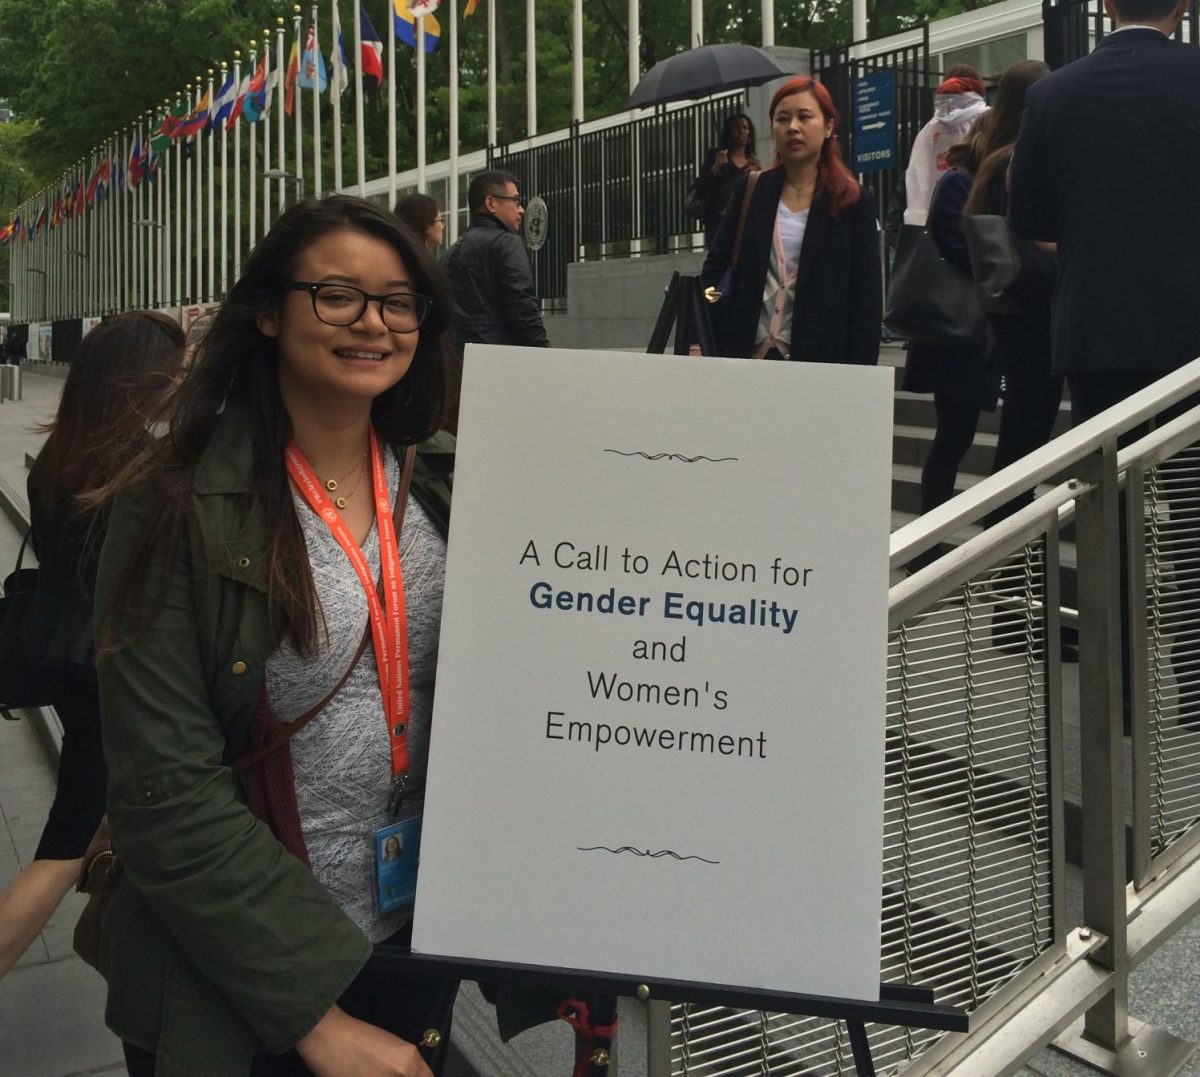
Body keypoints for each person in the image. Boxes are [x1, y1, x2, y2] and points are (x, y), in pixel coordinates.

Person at [93, 195, 458, 1075]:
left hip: (415, 942)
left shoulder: (445, 484)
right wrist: (314, 1019)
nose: (372, 321)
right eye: (337, 294)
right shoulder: (170, 503)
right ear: (267, 310)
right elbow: (164, 792)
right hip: (245, 974)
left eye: (398, 300)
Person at [1010, 0, 1200, 727]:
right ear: (1180, 6)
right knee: (1192, 515)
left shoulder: (1053, 94)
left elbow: (1027, 219)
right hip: (1191, 339)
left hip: (1097, 333)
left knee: (1108, 515)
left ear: (1109, 6)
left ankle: (1118, 695)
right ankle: (1193, 690)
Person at [0, 311, 185, 980]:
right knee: (63, 846)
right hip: (112, 677)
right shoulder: (136, 470)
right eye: (178, 372)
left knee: (93, 816)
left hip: (72, 667)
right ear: (146, 381)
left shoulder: (61, 455)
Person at [699, 77, 882, 365]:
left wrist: (860, 373)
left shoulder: (853, 201)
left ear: (828, 126)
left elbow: (866, 298)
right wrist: (715, 315)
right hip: (744, 357)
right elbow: (715, 269)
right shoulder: (752, 189)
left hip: (819, 363)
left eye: (804, 116)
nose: (793, 127)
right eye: (782, 118)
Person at [961, 60, 1058, 522]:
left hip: (1007, 309)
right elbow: (1034, 236)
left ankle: (1005, 531)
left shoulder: (992, 154)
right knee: (1027, 431)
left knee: (1020, 428)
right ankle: (1007, 532)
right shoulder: (1018, 159)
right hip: (1030, 310)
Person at [901, 116, 1000, 562]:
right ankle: (927, 543)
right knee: (952, 437)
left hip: (968, 334)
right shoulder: (958, 183)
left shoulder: (971, 180)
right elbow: (958, 245)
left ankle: (931, 538)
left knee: (955, 437)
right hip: (953, 333)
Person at [442, 170, 548, 350]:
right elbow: (522, 308)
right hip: (498, 360)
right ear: (491, 203)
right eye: (515, 200)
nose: (521, 210)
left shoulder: (448, 254)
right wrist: (545, 352)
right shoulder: (507, 243)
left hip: (456, 361)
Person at [903, 65, 987, 226]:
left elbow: (917, 177)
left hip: (939, 214)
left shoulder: (929, 130)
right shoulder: (988, 119)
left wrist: (917, 221)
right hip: (982, 211)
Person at [691, 112, 762, 245]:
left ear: (750, 133)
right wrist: (716, 167)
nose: (741, 131)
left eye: (745, 128)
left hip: (744, 225)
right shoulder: (715, 156)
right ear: (729, 133)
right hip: (718, 224)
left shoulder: (754, 165)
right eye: (736, 128)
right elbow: (701, 188)